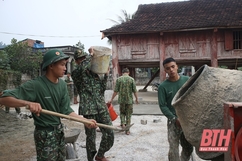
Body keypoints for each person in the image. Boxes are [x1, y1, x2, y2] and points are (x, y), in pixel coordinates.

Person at [0, 49, 96, 161]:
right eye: (62, 65)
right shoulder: (36, 85)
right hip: (44, 135)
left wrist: (84, 120)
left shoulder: (62, 85)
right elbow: (3, 99)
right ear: (51, 66)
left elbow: (66, 111)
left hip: (59, 133)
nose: (65, 68)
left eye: (65, 65)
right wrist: (28, 103)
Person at [71, 48, 114, 161]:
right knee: (91, 138)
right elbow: (82, 67)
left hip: (101, 107)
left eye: (84, 58)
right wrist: (91, 56)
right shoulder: (76, 73)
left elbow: (102, 89)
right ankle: (90, 159)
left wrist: (105, 75)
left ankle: (100, 155)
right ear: (76, 61)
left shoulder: (95, 74)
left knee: (109, 133)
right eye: (80, 59)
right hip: (88, 109)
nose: (83, 60)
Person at [158, 57, 193, 161]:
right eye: (168, 68)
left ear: (177, 66)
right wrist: (174, 118)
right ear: (165, 70)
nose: (171, 70)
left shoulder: (187, 81)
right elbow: (162, 105)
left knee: (188, 147)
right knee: (173, 148)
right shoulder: (163, 87)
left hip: (188, 120)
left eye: (173, 67)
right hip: (173, 121)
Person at [108, 68, 138, 135]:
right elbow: (135, 91)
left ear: (122, 72)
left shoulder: (119, 79)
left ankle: (122, 124)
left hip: (121, 100)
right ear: (128, 72)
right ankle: (127, 130)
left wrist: (111, 99)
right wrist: (136, 99)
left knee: (122, 113)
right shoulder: (131, 79)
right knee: (128, 114)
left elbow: (115, 91)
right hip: (129, 101)